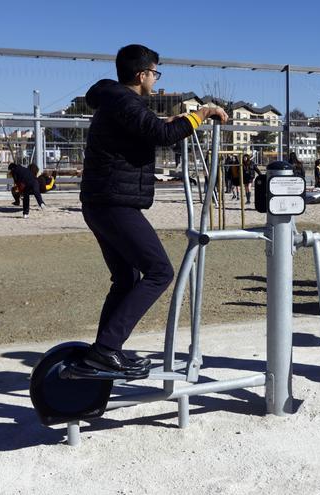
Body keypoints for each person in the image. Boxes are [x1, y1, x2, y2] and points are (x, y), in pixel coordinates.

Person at [79, 44, 228, 377]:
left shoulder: (117, 102)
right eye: (155, 73)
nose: (155, 79)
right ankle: (105, 349)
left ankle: (103, 351)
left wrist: (176, 121)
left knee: (127, 277)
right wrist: (200, 114)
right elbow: (161, 134)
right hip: (115, 203)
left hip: (103, 202)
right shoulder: (123, 100)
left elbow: (149, 128)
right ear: (142, 74)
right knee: (160, 271)